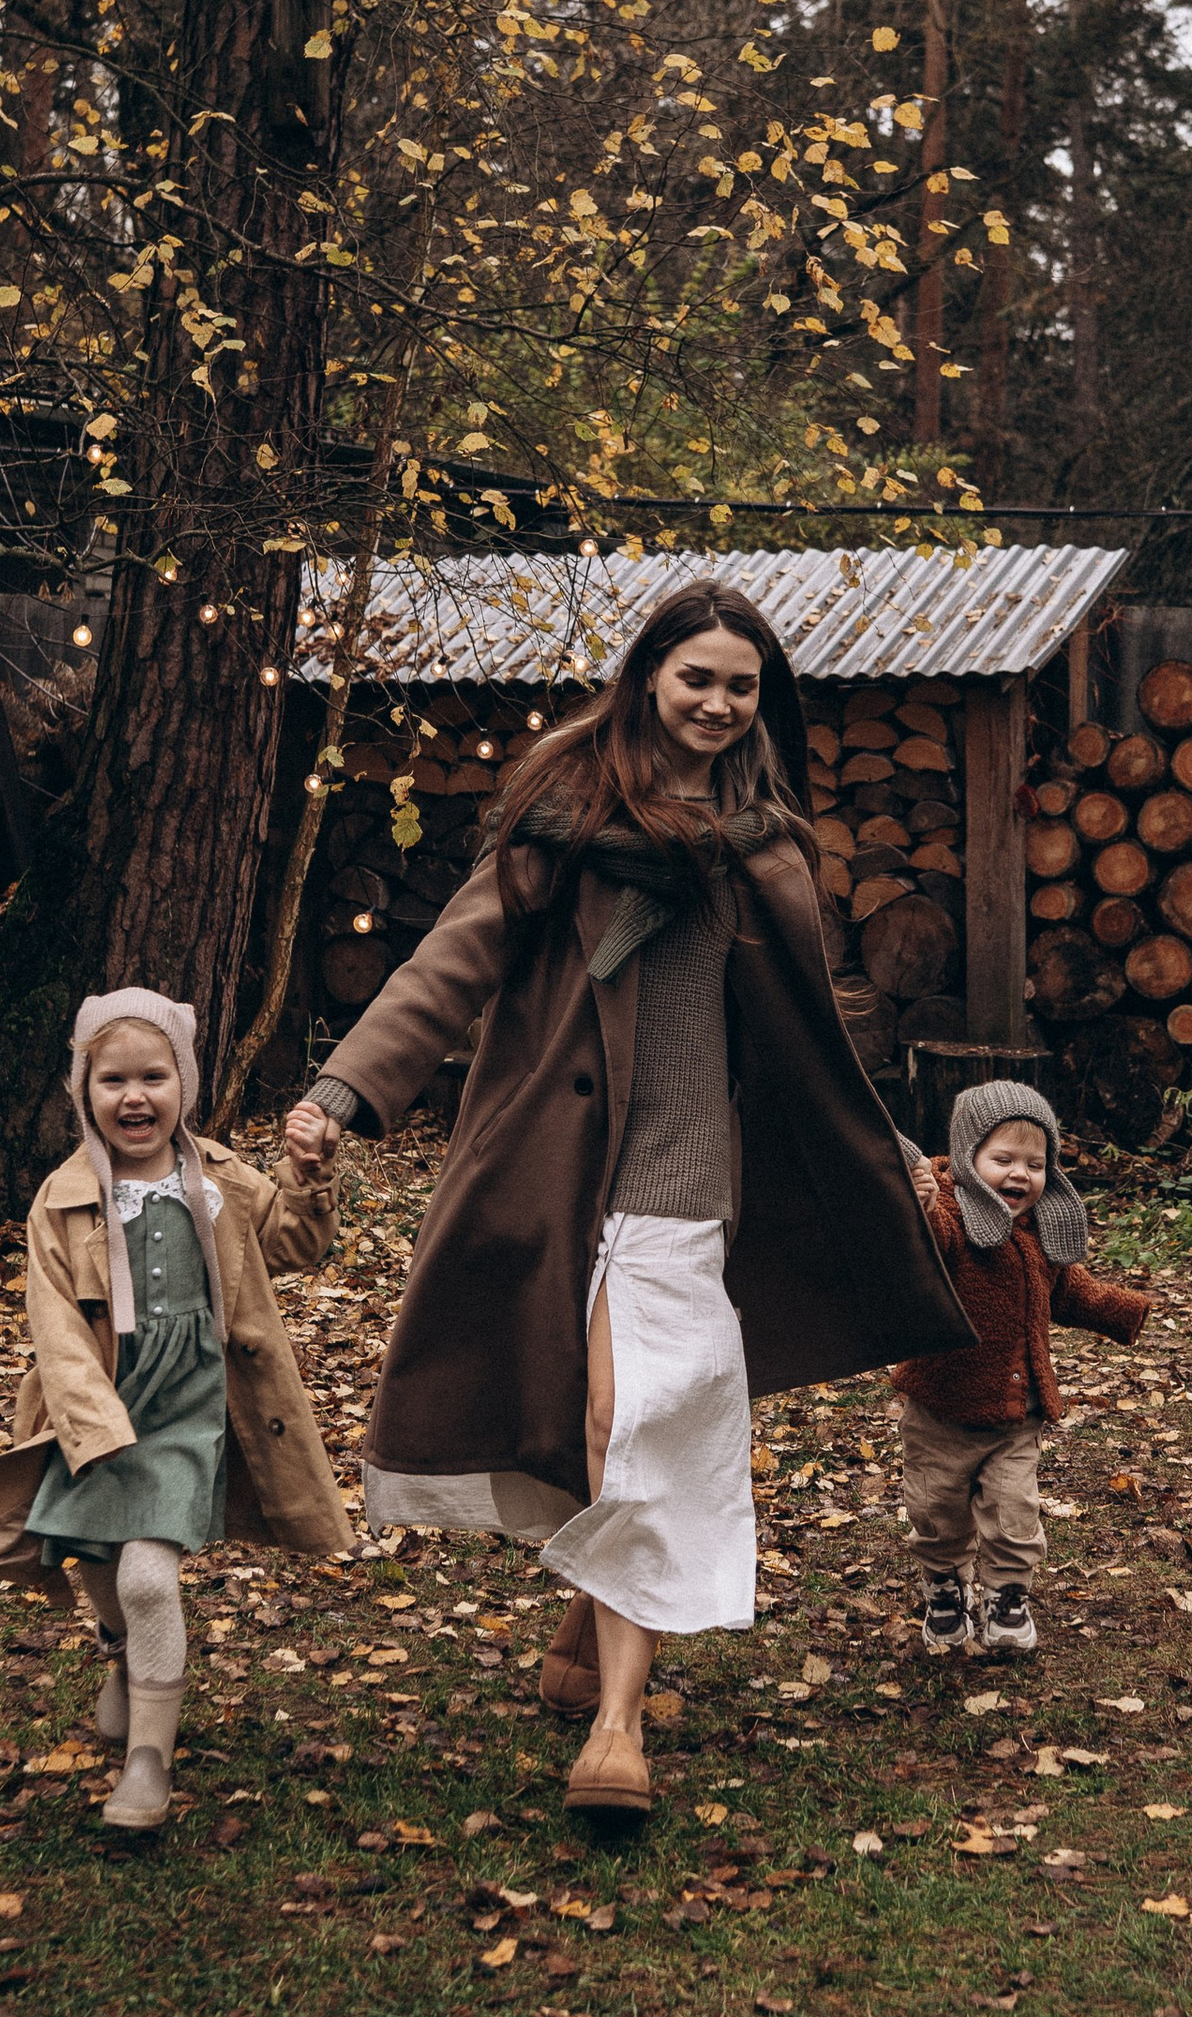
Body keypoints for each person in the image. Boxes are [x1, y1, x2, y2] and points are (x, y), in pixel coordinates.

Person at [287, 581, 970, 1816]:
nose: (715, 703)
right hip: (552, 1162)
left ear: (763, 702)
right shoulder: (561, 822)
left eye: (739, 685)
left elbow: (809, 1043)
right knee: (588, 1415)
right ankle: (582, 1629)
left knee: (629, 1414)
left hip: (683, 1172)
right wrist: (343, 1095)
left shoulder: (765, 848)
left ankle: (616, 1726)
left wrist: (892, 1153)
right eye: (695, 677)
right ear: (649, 675)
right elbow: (452, 962)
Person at [15, 987, 348, 1831]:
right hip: (101, 1410)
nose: (135, 1097)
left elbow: (294, 1246)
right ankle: (125, 1651)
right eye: (113, 1080)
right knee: (96, 1565)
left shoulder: (221, 1181)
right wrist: (92, 1422)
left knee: (147, 1574)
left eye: (154, 1077)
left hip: (189, 1411)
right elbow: (55, 1327)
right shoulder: (62, 1199)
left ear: (184, 1084)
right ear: (84, 1092)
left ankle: (148, 1763)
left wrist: (306, 1179)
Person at [892, 1078, 1151, 1660]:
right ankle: (944, 1591)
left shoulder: (1040, 1233)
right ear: (967, 1158)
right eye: (1002, 1159)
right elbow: (927, 1250)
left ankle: (1008, 1599)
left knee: (1014, 1514)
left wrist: (1125, 1310)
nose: (1019, 1174)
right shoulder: (951, 1218)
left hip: (1017, 1415)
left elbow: (1069, 1290)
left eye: (1035, 1163)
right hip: (942, 1411)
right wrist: (923, 1205)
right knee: (935, 1512)